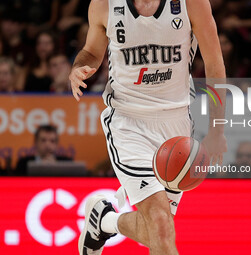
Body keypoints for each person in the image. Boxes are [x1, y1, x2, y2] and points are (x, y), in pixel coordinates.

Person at [69, 0, 227, 254]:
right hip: (129, 124)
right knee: (161, 226)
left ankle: (104, 220)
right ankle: (104, 221)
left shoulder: (192, 4)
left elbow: (214, 63)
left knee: (158, 231)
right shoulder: (104, 5)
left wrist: (217, 130)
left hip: (177, 127)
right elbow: (91, 51)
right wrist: (78, 68)